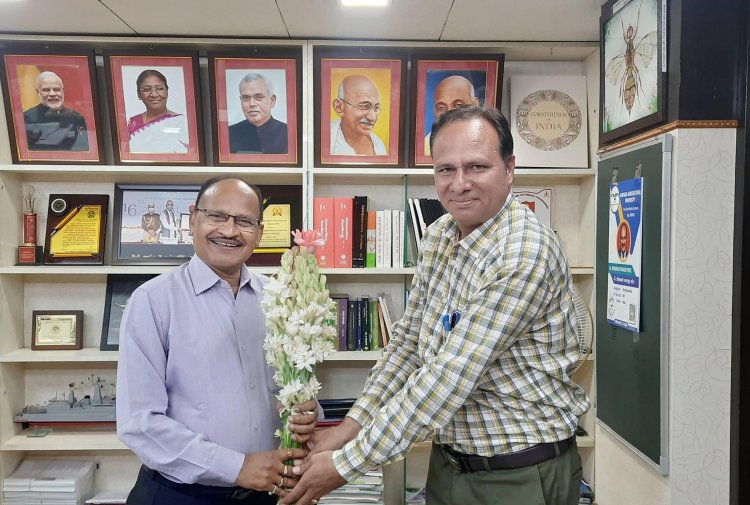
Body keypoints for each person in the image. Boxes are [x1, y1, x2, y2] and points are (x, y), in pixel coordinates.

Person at [284, 106, 590, 505]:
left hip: (518, 475)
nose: (459, 184)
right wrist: (349, 426)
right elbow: (408, 345)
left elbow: (448, 378)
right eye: (446, 169)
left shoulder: (524, 251)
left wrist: (345, 464)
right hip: (449, 464)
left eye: (477, 166)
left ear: (509, 168)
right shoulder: (439, 236)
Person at [117, 177, 318, 505]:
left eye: (244, 221)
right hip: (181, 495)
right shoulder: (153, 301)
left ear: (260, 233)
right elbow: (140, 423)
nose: (229, 230)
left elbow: (291, 387)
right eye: (217, 216)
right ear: (193, 218)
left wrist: (308, 413)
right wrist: (237, 467)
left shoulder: (280, 298)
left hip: (267, 493)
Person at [128, 69, 189, 154]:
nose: (154, 94)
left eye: (159, 89)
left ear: (167, 92)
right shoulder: (132, 123)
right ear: (139, 94)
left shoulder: (182, 122)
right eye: (147, 90)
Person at [23, 71, 88, 151]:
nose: (52, 94)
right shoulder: (26, 118)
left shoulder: (77, 118)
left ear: (62, 91)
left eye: (57, 89)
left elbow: (83, 148)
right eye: (46, 90)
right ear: (38, 92)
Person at [229, 73, 288, 154]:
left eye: (259, 97)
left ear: (272, 101)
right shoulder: (229, 133)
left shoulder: (288, 133)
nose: (252, 104)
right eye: (246, 98)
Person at [330, 74, 386, 156]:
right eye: (364, 106)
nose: (373, 118)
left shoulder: (379, 146)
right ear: (339, 107)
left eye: (376, 108)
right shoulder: (325, 138)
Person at [424, 75, 479, 156]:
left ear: (475, 104)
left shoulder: (486, 140)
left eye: (458, 105)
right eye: (441, 107)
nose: (449, 113)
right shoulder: (427, 145)